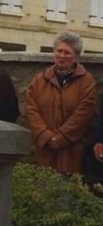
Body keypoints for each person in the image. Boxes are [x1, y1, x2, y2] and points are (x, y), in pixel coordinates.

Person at [24, 30, 97, 175]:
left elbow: (85, 113)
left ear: (76, 56)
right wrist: (46, 136)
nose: (62, 56)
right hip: (45, 150)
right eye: (59, 51)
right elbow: (31, 109)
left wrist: (61, 138)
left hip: (73, 151)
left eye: (67, 53)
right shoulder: (40, 80)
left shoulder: (86, 82)